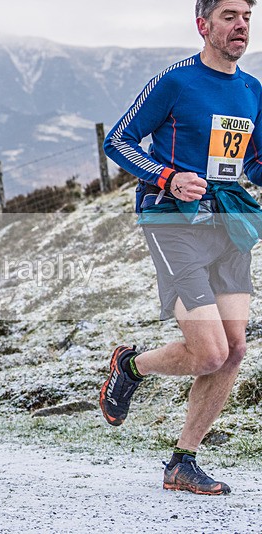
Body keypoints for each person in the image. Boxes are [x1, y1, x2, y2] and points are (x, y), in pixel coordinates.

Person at [101, 0, 262, 495]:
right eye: (229, 15)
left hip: (228, 223)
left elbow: (254, 163)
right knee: (210, 352)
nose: (241, 24)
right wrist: (167, 177)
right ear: (203, 24)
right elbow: (118, 141)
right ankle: (130, 366)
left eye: (247, 16)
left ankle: (182, 462)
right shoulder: (175, 81)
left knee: (233, 350)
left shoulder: (252, 91)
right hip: (172, 221)